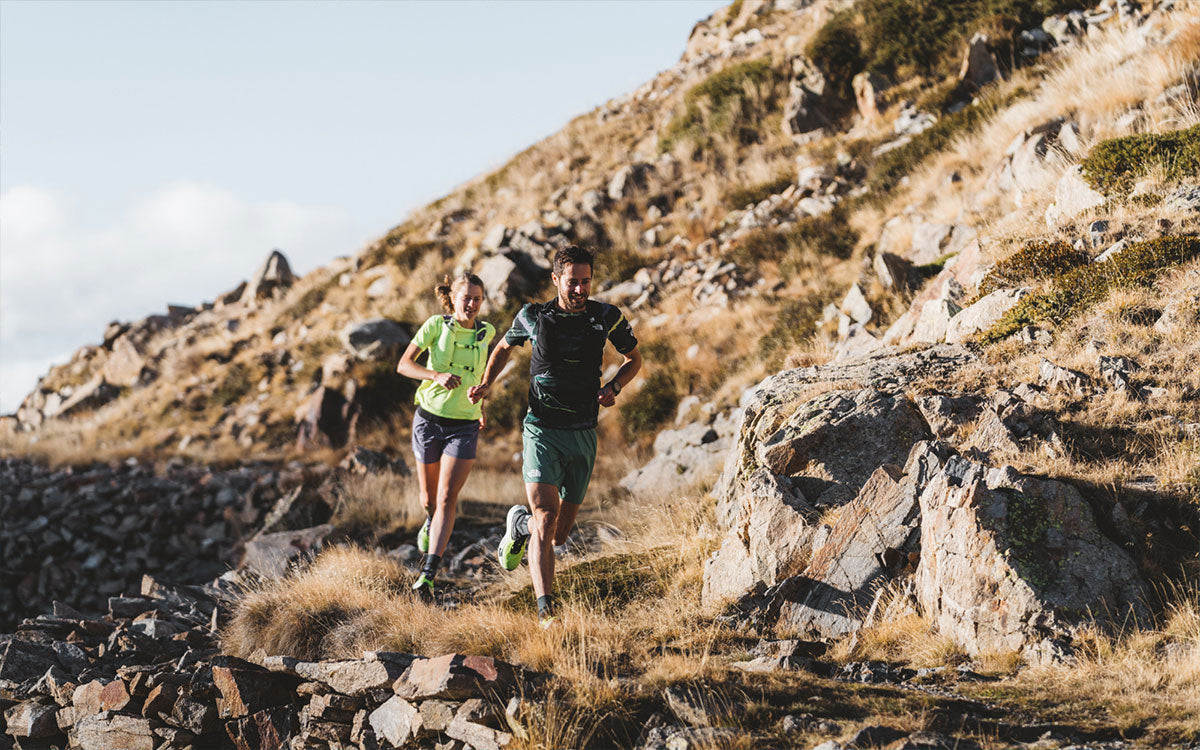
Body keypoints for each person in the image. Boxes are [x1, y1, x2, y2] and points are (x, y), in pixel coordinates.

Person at [468, 245, 641, 626]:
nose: (580, 290)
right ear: (555, 280)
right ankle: (547, 611)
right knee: (546, 519)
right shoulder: (534, 316)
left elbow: (634, 359)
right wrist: (485, 385)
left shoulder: (606, 316)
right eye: (572, 282)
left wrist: (615, 386)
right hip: (542, 429)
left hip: (582, 432)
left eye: (586, 282)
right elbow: (502, 348)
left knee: (559, 534)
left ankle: (518, 525)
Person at [396, 273, 495, 600]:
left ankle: (428, 573)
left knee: (447, 498)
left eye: (477, 299)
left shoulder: (487, 333)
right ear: (452, 298)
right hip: (429, 419)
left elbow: (482, 377)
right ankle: (430, 521)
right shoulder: (435, 326)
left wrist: (482, 401)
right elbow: (404, 365)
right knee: (429, 500)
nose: (471, 304)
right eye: (466, 297)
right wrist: (435, 375)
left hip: (464, 424)